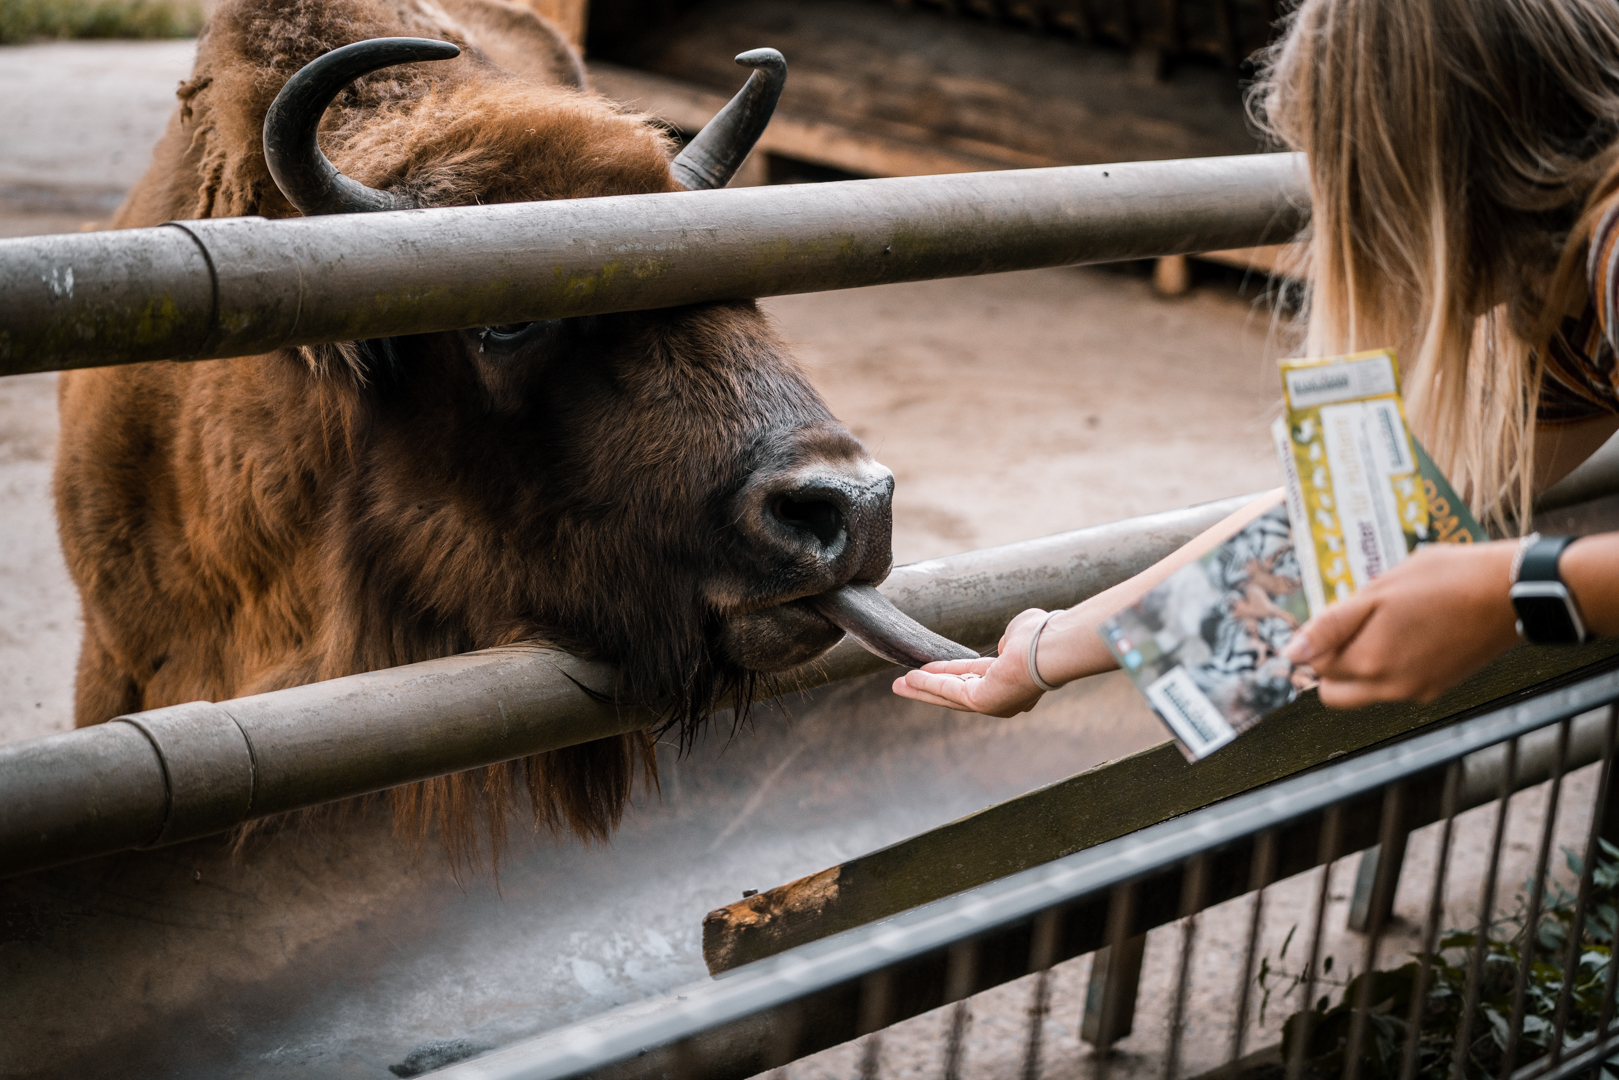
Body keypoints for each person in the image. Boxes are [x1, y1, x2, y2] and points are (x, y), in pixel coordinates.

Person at [895, 0, 1619, 718]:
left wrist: (1511, 593)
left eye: (1352, 185)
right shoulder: (1567, 308)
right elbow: (1383, 509)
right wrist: (1046, 649)